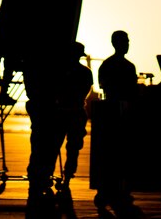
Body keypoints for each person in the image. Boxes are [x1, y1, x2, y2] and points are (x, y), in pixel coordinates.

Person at [25, 39, 92, 218]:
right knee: (71, 148)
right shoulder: (84, 73)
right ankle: (66, 178)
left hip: (65, 114)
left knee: (55, 147)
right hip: (74, 113)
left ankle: (51, 178)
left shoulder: (61, 73)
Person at [95, 30, 138, 214]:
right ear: (117, 43)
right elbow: (132, 90)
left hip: (111, 112)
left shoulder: (107, 65)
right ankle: (119, 190)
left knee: (110, 155)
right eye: (125, 41)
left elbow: (102, 85)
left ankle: (107, 191)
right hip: (118, 113)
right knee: (120, 154)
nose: (128, 44)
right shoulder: (127, 67)